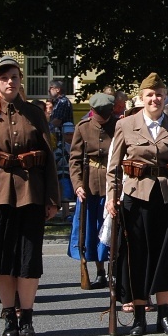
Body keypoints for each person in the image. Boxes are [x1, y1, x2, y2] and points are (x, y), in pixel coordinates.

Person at [0, 56, 59, 336]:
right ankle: (9, 317)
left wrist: (52, 198)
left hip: (31, 192)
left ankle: (27, 318)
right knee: (3, 259)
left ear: (20, 81)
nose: (10, 82)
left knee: (29, 259)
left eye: (15, 77)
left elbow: (50, 161)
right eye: (4, 77)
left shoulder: (34, 113)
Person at [106, 72, 168, 336]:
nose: (155, 99)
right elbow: (113, 167)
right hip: (135, 200)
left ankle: (164, 316)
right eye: (149, 95)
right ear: (141, 98)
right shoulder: (126, 124)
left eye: (159, 95)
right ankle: (139, 317)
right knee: (137, 257)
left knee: (165, 257)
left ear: (165, 98)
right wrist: (111, 197)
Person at [67, 93, 117, 289]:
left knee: (112, 229)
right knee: (90, 231)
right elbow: (75, 160)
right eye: (99, 115)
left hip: (112, 184)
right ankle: (99, 271)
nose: (102, 119)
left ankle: (114, 269)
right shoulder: (83, 127)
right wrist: (78, 184)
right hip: (89, 186)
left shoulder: (119, 125)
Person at [54, 122, 75, 220]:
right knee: (65, 187)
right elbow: (58, 161)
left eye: (71, 134)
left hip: (76, 173)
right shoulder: (59, 147)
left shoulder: (78, 145)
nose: (70, 137)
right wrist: (70, 156)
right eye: (67, 134)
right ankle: (66, 213)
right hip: (64, 173)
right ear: (63, 134)